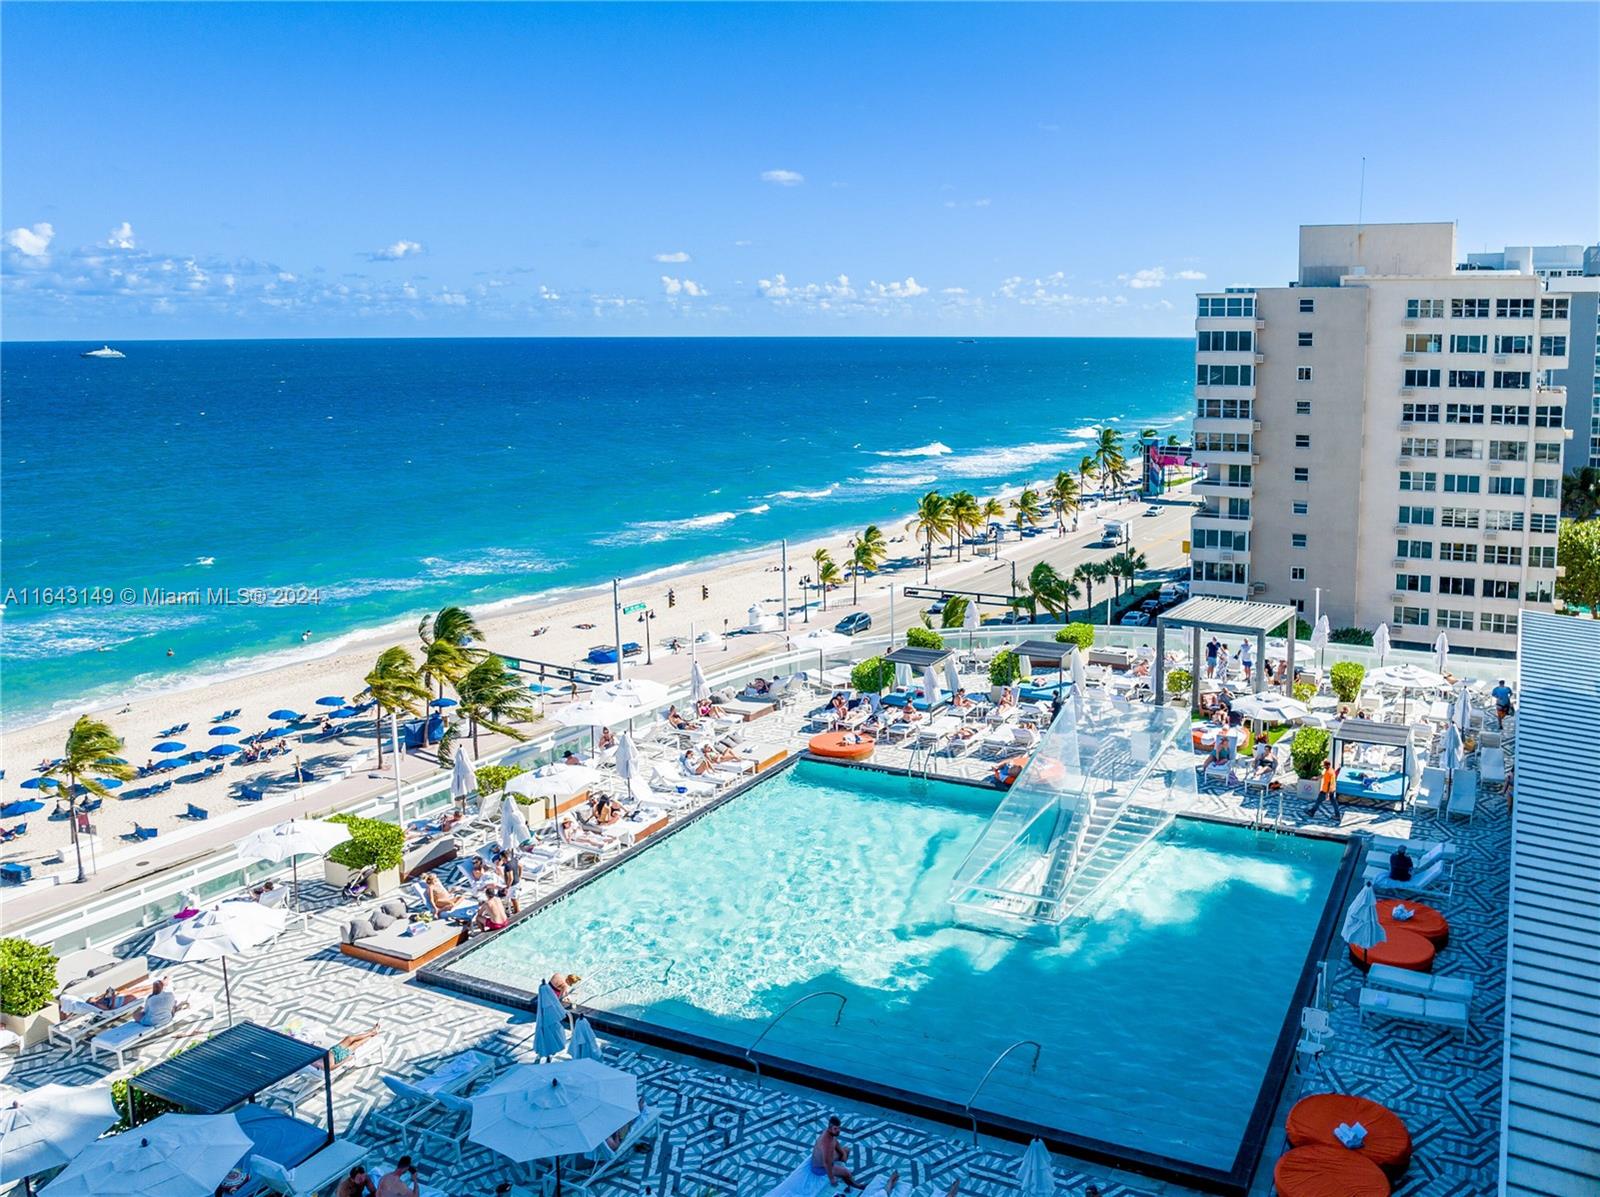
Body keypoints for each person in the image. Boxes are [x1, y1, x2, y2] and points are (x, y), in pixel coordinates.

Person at [811, 1116, 863, 1189]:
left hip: (828, 1159)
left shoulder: (831, 1133)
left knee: (846, 1150)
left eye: (839, 1128)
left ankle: (843, 1174)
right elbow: (827, 1163)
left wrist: (842, 1153)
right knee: (847, 1173)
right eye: (835, 1128)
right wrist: (832, 1179)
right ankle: (856, 1186)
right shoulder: (826, 1142)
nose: (838, 1130)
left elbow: (835, 1142)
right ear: (830, 1127)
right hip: (820, 1167)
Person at [1308, 758, 1341, 824]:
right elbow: (1323, 775)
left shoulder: (1329, 772)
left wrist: (1327, 794)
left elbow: (1330, 783)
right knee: (1333, 803)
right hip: (1329, 790)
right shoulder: (1329, 770)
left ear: (1327, 766)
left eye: (1324, 766)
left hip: (1326, 791)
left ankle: (1312, 812)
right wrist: (1316, 778)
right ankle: (1337, 815)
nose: (1323, 767)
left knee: (1319, 801)